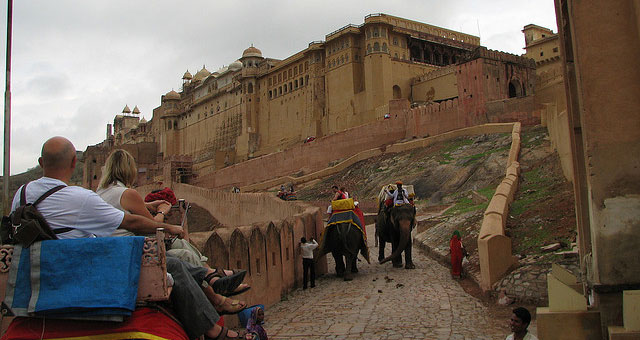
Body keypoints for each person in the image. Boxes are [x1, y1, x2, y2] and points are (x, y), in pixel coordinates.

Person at [12, 137, 246, 340]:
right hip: (77, 271)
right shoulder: (79, 197)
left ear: (41, 163)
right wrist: (169, 226)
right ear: (75, 163)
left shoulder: (21, 194)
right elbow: (131, 222)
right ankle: (212, 317)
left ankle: (212, 282)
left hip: (37, 270)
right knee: (171, 263)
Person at [96, 149, 250, 297]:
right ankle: (215, 290)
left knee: (181, 245)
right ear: (128, 170)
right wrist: (162, 211)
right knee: (184, 254)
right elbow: (152, 227)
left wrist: (147, 205)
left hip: (113, 250)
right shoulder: (127, 193)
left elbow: (123, 209)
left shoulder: (100, 194)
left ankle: (213, 276)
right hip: (132, 252)